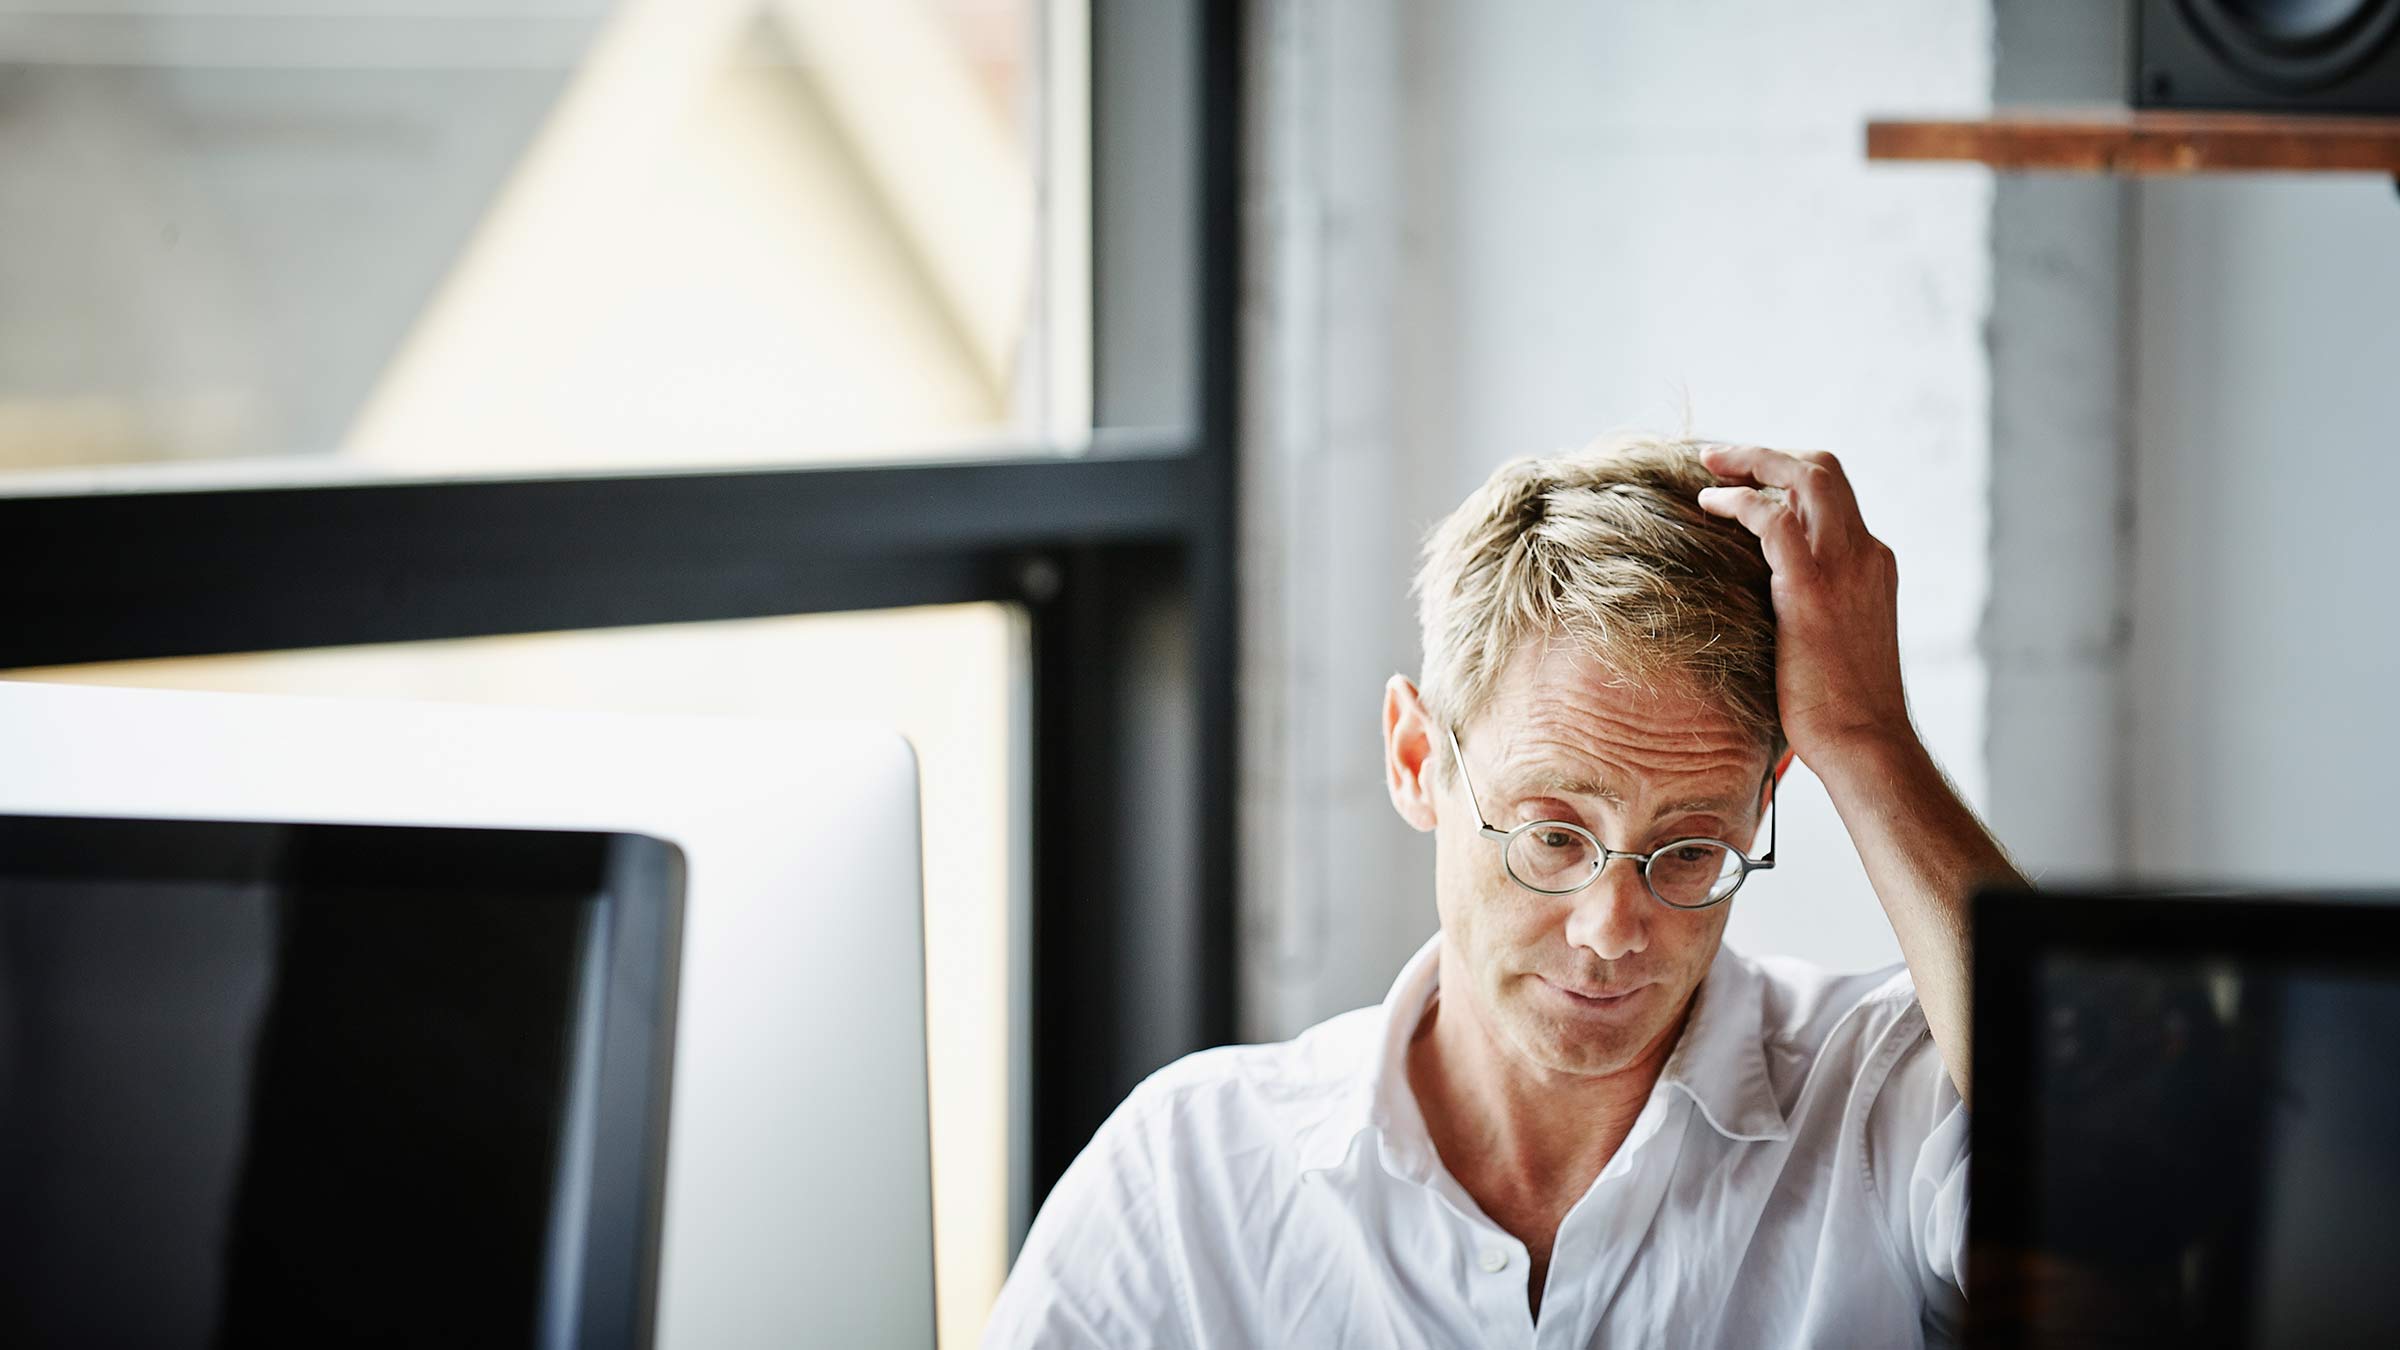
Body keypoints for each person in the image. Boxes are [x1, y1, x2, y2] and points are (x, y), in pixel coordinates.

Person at [984, 435, 2017, 1348]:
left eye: (1692, 850)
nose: (1615, 929)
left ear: (1762, 805)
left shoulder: (1888, 1101)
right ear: (1416, 757)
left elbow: (2140, 1202)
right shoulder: (1189, 1177)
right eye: (1554, 835)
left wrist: (1868, 741)